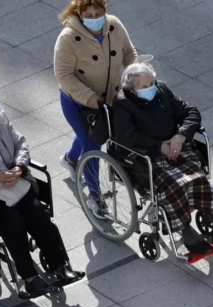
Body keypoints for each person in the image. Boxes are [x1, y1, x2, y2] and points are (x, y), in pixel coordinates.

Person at [0, 81, 85, 296]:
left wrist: (19, 167)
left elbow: (21, 143)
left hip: (15, 183)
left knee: (38, 214)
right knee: (13, 223)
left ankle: (60, 267)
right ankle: (29, 278)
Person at [112, 63, 213, 254]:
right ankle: (187, 233)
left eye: (152, 83)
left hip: (177, 147)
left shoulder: (163, 91)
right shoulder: (123, 103)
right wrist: (160, 146)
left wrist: (181, 135)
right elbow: (127, 137)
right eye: (144, 86)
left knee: (199, 178)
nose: (150, 88)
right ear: (132, 88)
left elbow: (191, 112)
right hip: (148, 155)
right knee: (174, 184)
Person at [54, 0, 137, 217]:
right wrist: (90, 98)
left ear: (105, 11)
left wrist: (136, 76)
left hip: (109, 97)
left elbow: (129, 54)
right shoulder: (67, 39)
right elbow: (64, 76)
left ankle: (71, 160)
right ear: (79, 13)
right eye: (88, 14)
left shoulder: (114, 26)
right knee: (93, 143)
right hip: (79, 103)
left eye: (98, 13)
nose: (94, 18)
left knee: (87, 136)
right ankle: (95, 196)